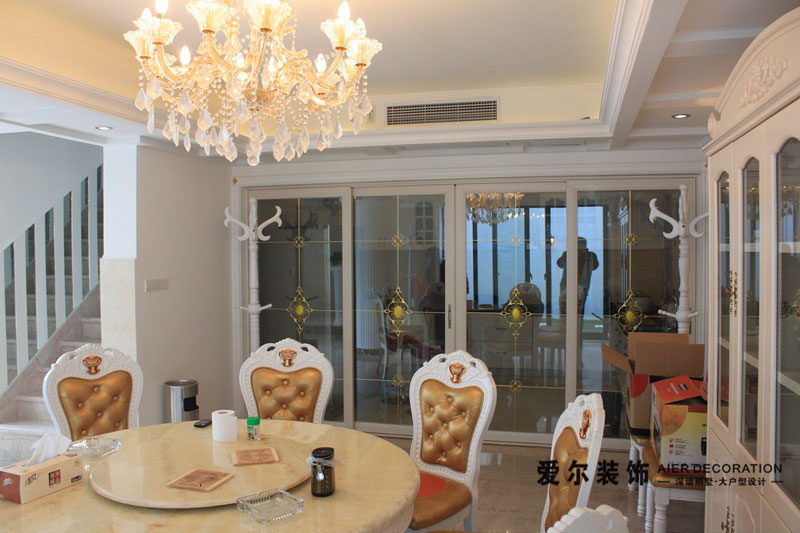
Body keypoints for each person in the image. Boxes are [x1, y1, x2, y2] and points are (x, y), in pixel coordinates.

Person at [556, 237, 599, 314]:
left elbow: (595, 266)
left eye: (581, 246)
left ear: (585, 246)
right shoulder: (568, 253)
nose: (579, 249)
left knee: (579, 310)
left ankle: (577, 322)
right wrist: (569, 254)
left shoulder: (590, 256)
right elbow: (560, 264)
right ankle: (565, 322)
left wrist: (584, 255)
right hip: (567, 285)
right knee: (564, 308)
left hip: (582, 286)